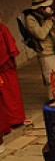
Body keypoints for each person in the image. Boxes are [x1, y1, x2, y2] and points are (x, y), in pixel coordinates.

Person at [0, 17, 25, 153]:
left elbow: (9, 45)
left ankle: (16, 119)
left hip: (5, 68)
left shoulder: (2, 28)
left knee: (10, 94)